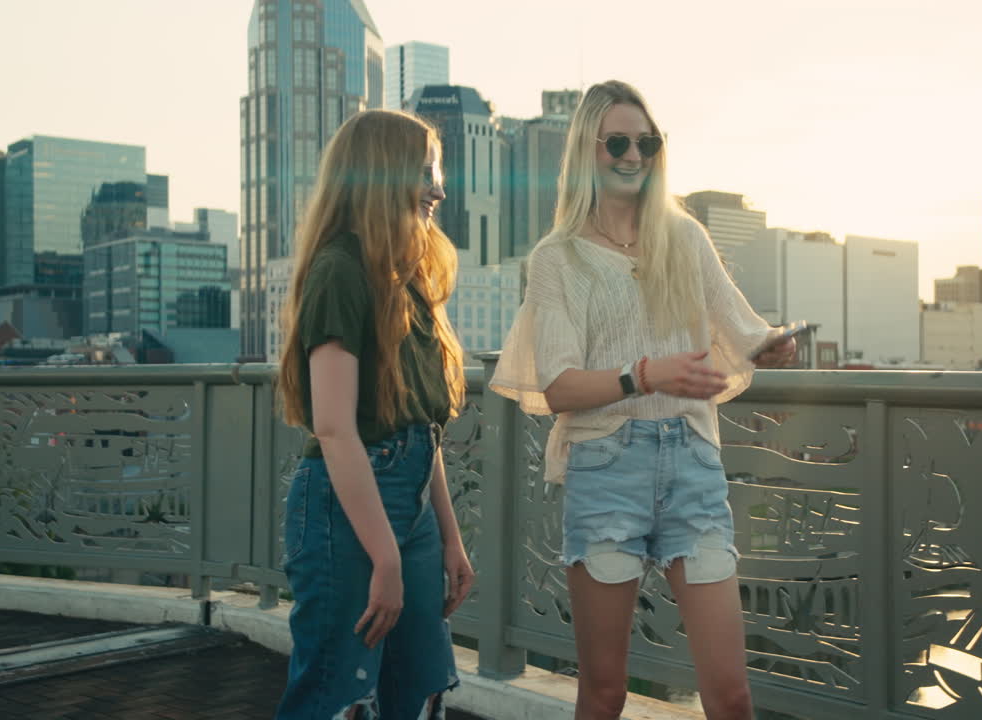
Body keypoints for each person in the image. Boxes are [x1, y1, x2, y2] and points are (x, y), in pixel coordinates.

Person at [490, 80, 796, 720]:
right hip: (605, 470)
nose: (634, 155)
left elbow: (743, 334)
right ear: (586, 151)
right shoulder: (559, 258)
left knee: (732, 695)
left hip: (693, 468)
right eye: (618, 142)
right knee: (604, 692)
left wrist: (771, 346)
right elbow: (560, 386)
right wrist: (645, 375)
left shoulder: (683, 238)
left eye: (647, 142)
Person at [274, 109, 474, 720]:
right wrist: (384, 558)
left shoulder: (406, 278)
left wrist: (450, 537)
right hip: (345, 513)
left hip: (407, 508)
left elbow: (420, 425)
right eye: (425, 172)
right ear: (381, 174)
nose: (439, 189)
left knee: (417, 690)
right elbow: (334, 428)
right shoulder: (339, 271)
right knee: (339, 695)